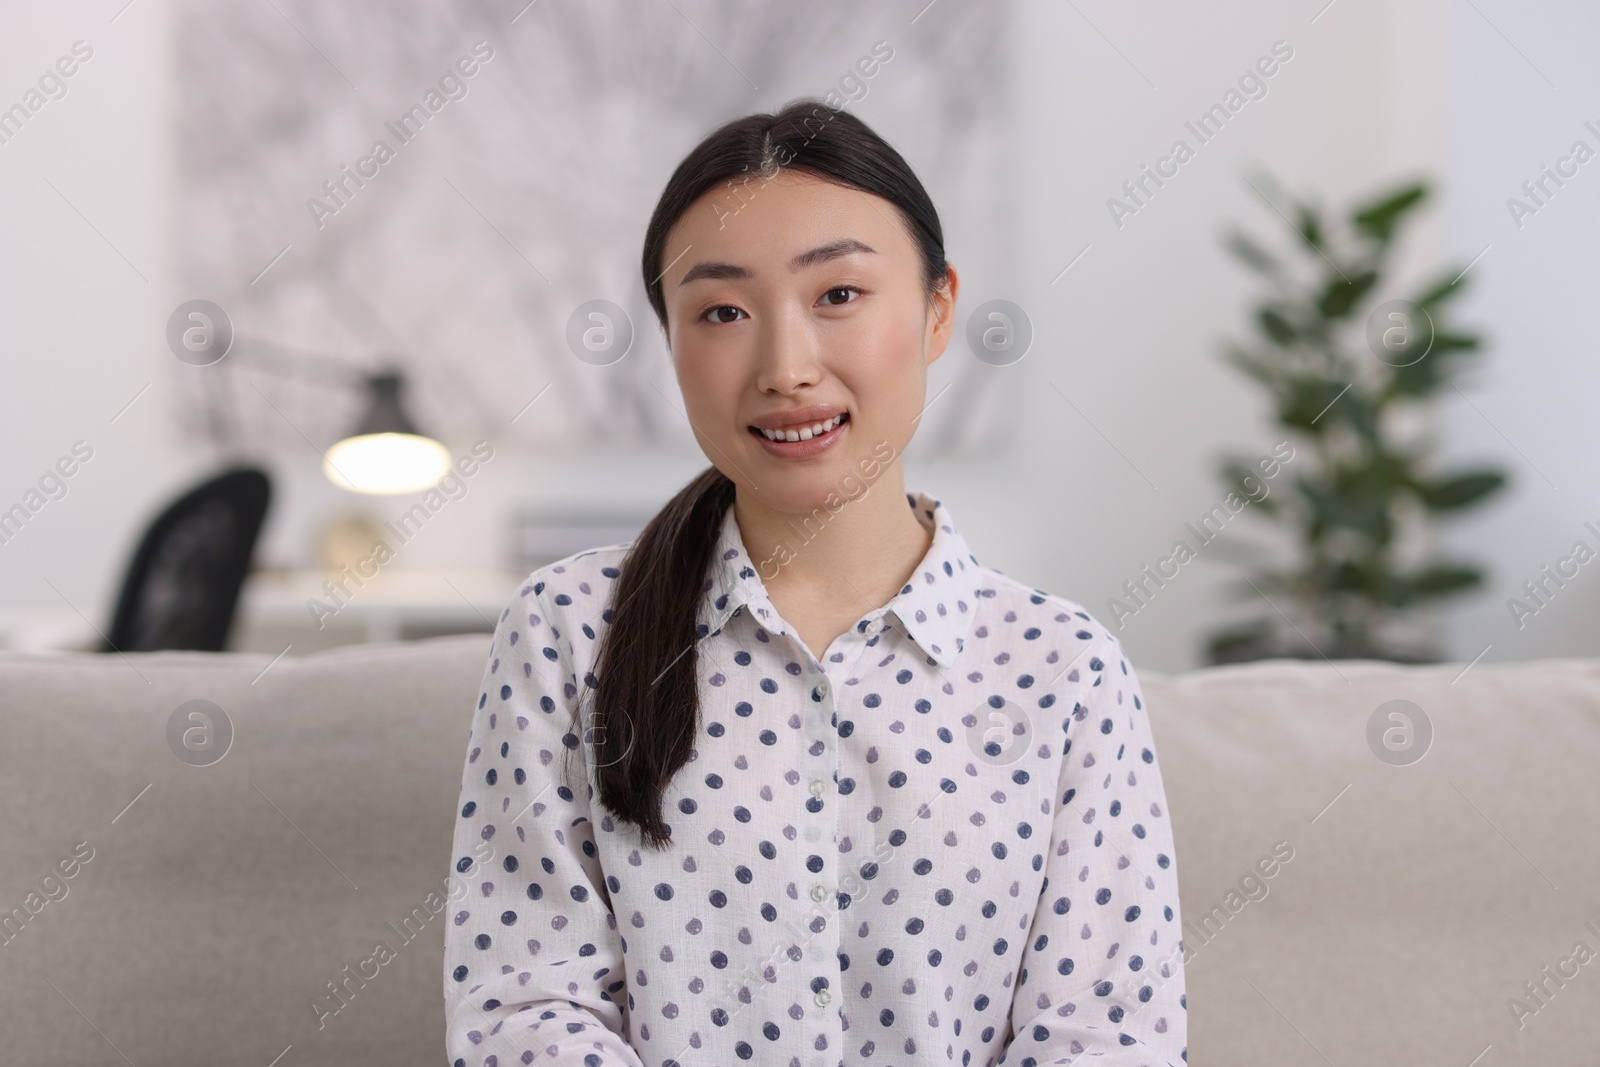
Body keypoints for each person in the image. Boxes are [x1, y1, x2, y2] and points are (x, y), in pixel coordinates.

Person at [443, 97, 1187, 1067]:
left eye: (837, 294)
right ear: (672, 342)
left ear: (936, 310)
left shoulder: (1064, 670)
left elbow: (1107, 1038)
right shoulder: (568, 633)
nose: (786, 366)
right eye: (722, 312)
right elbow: (523, 1012)